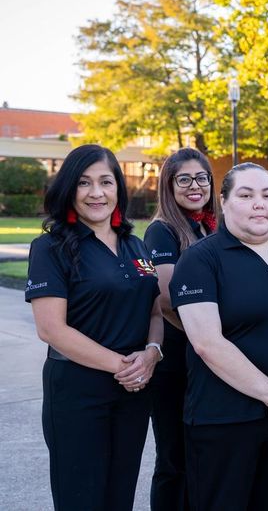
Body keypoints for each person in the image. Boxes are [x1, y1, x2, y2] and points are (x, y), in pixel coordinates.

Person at [170, 163, 268, 511]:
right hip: (222, 419)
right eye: (246, 195)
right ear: (224, 202)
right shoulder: (200, 259)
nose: (260, 204)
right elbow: (206, 343)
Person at [25, 144, 162, 510]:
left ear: (119, 187)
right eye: (84, 183)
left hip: (134, 392)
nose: (96, 192)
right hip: (77, 392)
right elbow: (52, 330)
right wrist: (124, 367)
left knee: (120, 497)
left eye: (106, 181)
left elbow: (153, 312)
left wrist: (152, 354)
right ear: (69, 189)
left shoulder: (136, 245)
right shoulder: (50, 247)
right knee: (81, 498)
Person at [144, 147, 219, 510]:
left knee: (201, 455)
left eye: (201, 178)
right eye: (184, 179)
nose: (195, 186)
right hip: (176, 361)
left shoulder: (208, 226)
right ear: (168, 186)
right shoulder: (162, 231)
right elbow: (166, 298)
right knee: (174, 458)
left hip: (206, 359)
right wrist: (210, 334)